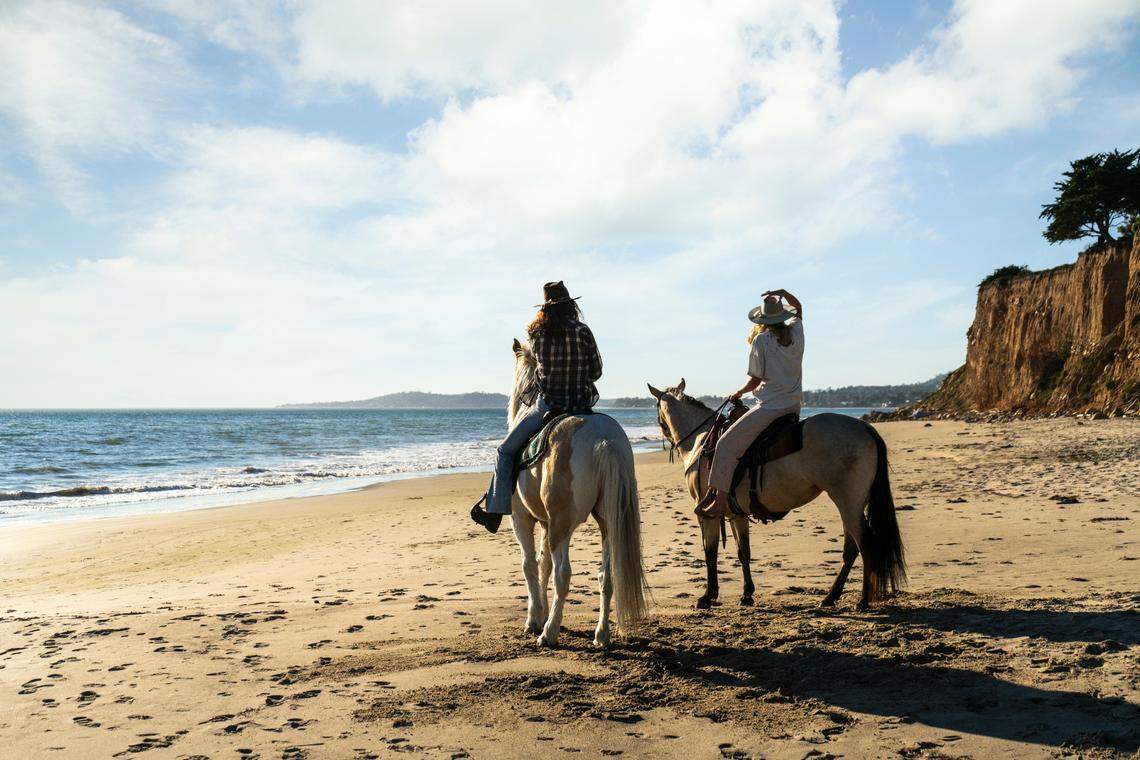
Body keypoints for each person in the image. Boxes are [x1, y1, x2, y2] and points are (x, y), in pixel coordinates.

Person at [470, 281, 604, 533]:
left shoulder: (537, 333)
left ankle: (496, 511)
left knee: (505, 451)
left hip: (549, 406)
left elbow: (538, 374)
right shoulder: (584, 331)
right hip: (582, 406)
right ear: (570, 305)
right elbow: (596, 372)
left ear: (546, 308)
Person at [697, 288, 804, 519]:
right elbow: (800, 309)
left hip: (770, 408)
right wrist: (783, 293)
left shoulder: (761, 340)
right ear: (783, 317)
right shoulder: (796, 331)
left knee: (726, 444)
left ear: (763, 320)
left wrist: (737, 393)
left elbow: (755, 381)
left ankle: (720, 502)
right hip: (794, 406)